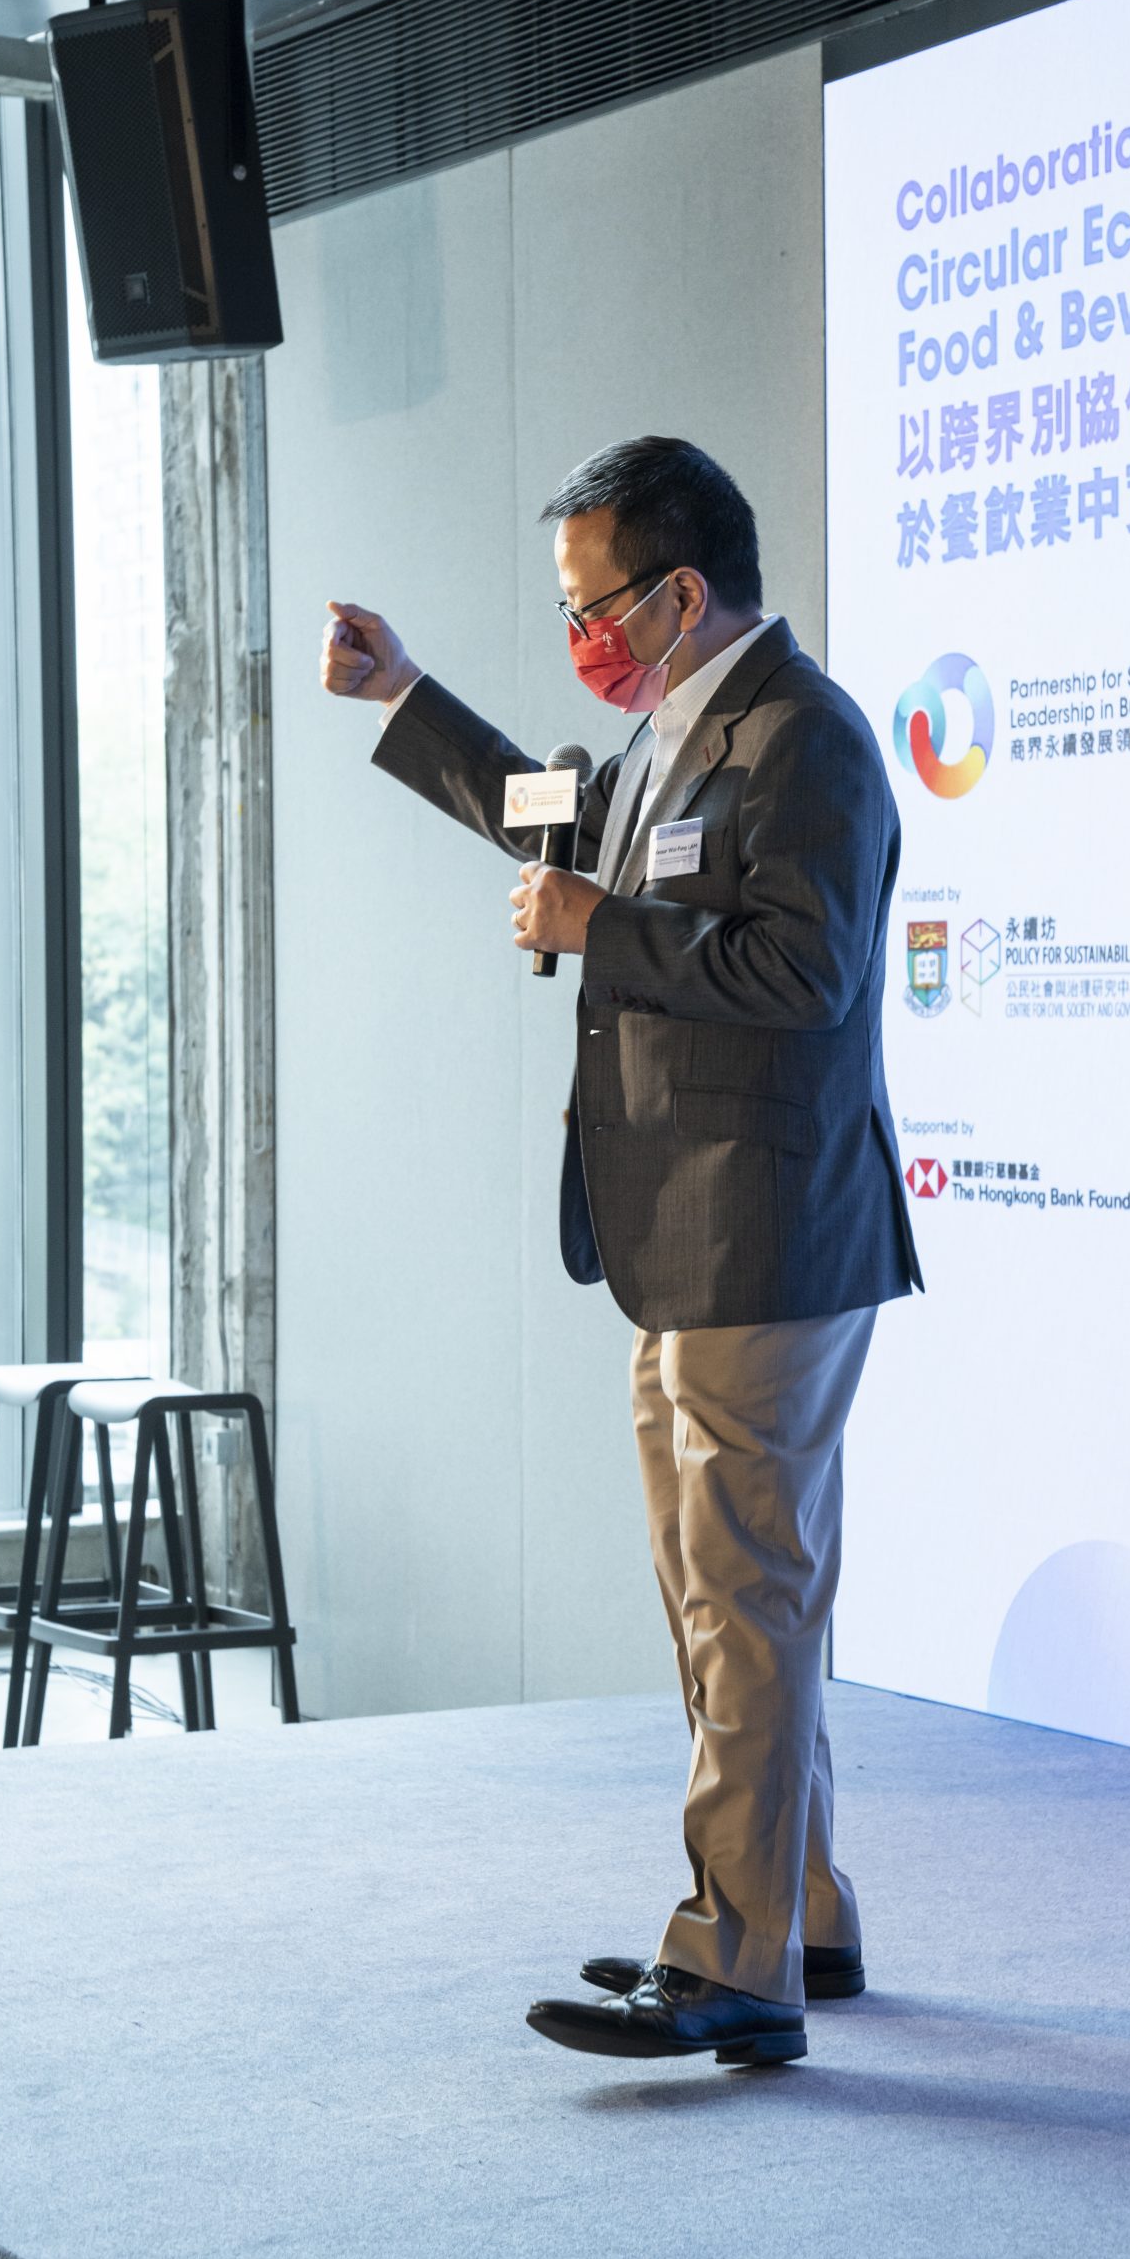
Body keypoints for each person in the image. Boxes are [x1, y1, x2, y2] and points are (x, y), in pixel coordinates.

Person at [320, 436, 921, 2068]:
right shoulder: (675, 730)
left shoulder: (802, 736)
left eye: (593, 606)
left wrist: (603, 930)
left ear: (680, 590)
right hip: (680, 1231)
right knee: (728, 1595)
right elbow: (560, 820)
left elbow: (807, 973)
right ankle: (800, 1912)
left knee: (739, 1598)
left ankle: (731, 1957)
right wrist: (407, 693)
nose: (581, 636)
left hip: (765, 1228)